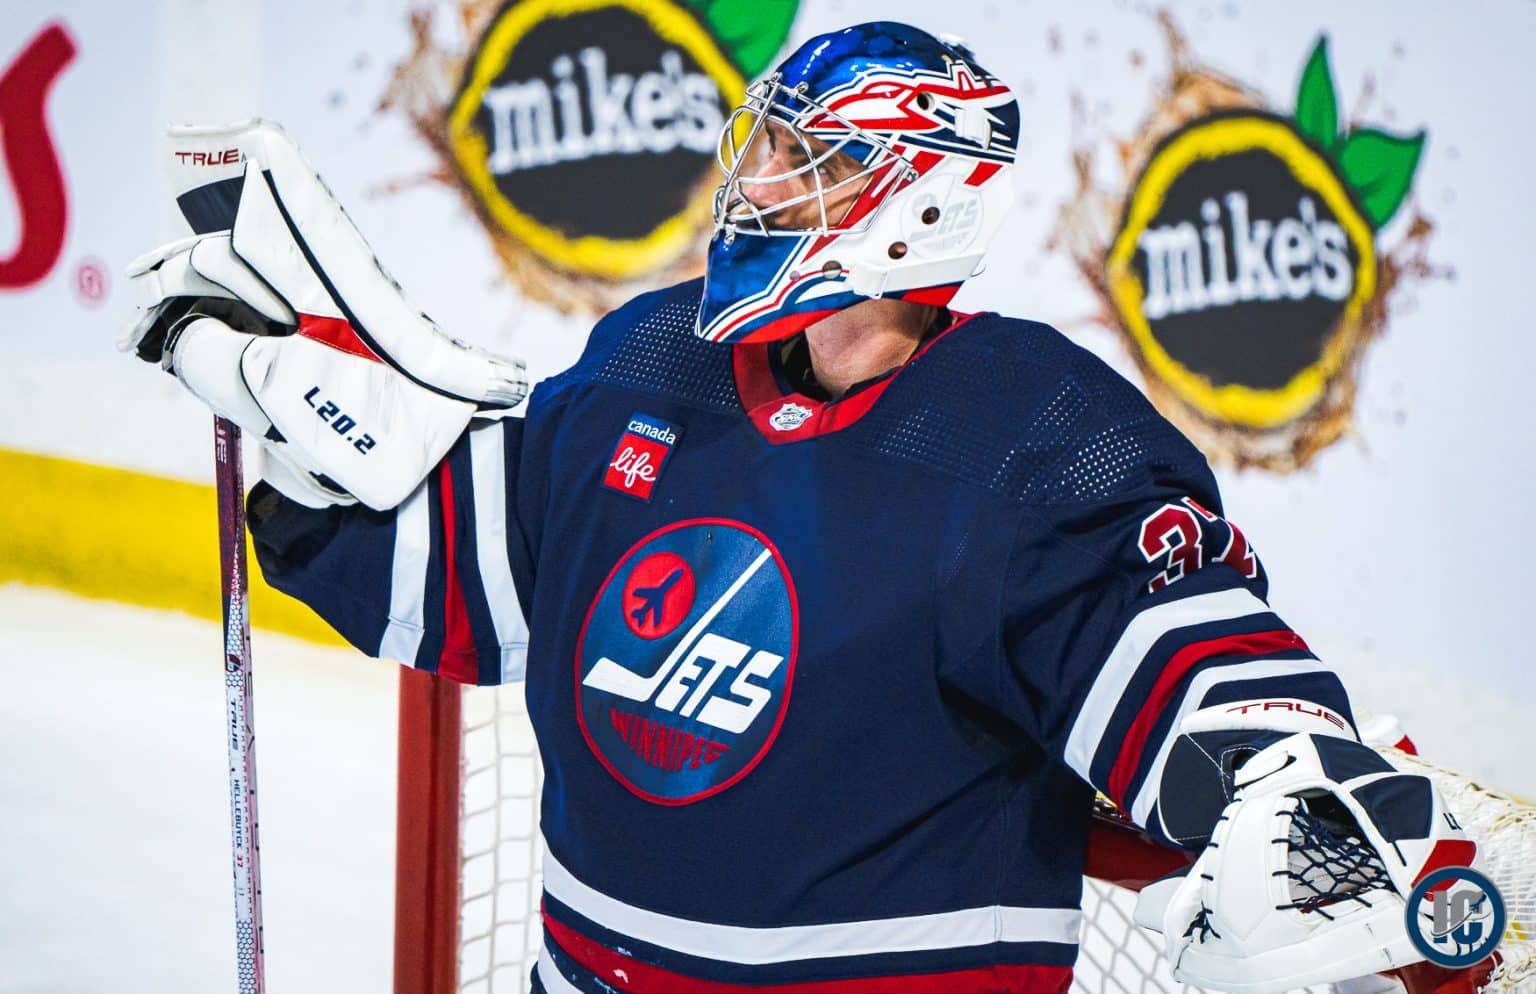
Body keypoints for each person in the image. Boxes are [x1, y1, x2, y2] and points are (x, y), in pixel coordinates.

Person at [124, 22, 1473, 994]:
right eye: (765, 146)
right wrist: (311, 455)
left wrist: (1285, 775)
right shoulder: (654, 362)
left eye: (806, 159)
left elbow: (1196, 659)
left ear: (916, 202)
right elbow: (486, 574)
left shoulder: (1034, 433)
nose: (757, 183)